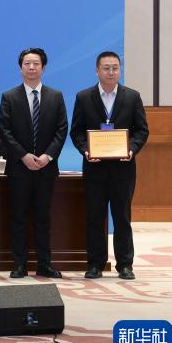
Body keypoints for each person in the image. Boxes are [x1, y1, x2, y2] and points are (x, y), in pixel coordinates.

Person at [69, 51, 149, 280]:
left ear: (119, 70)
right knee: (94, 217)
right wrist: (86, 150)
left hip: (123, 169)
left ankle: (125, 264)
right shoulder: (84, 97)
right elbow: (76, 131)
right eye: (106, 68)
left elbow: (142, 130)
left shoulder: (132, 97)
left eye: (115, 68)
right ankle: (95, 263)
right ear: (97, 71)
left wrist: (131, 149)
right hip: (94, 169)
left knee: (122, 217)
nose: (111, 72)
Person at [0, 47, 68, 279]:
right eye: (27, 64)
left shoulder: (55, 96)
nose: (31, 67)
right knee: (18, 217)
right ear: (20, 68)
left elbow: (61, 129)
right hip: (19, 168)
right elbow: (5, 131)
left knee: (43, 218)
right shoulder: (9, 97)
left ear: (43, 67)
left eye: (36, 63)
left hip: (46, 168)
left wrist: (48, 156)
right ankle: (19, 264)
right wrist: (23, 156)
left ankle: (44, 264)